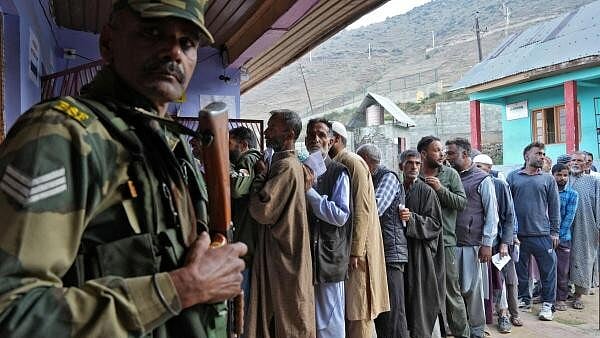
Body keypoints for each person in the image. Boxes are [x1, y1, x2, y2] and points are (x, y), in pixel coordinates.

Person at [0, 1, 249, 337]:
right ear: (107, 42)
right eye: (152, 32)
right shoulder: (62, 136)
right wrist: (181, 288)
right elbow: (12, 314)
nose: (174, 51)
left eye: (187, 42)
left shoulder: (167, 142)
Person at [246, 109, 315, 338]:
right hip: (284, 251)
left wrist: (258, 177)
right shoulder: (290, 165)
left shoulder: (286, 167)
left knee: (288, 312)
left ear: (289, 133)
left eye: (272, 128)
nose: (266, 132)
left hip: (285, 254)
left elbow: (262, 210)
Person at [328, 121, 389, 338]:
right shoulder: (335, 162)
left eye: (322, 136)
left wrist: (356, 250)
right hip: (344, 251)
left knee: (359, 310)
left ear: (334, 139)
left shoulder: (352, 162)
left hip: (358, 254)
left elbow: (362, 209)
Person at [445, 138, 498, 338]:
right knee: (453, 289)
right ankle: (458, 327)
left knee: (472, 290)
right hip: (449, 242)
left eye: (451, 153)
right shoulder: (448, 176)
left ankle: (476, 330)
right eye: (446, 153)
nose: (447, 157)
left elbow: (492, 214)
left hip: (472, 243)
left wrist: (487, 243)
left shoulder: (482, 179)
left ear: (465, 155)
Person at [417, 135, 469, 338]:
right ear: (423, 154)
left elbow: (462, 203)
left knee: (451, 293)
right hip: (420, 243)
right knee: (423, 292)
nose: (441, 154)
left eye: (442, 150)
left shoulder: (450, 175)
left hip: (445, 242)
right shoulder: (415, 173)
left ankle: (462, 334)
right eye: (436, 150)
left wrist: (440, 189)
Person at [304, 119, 352, 338]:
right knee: (309, 319)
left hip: (329, 256)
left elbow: (341, 215)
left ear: (331, 140)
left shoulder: (338, 172)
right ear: (305, 140)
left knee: (330, 324)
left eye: (322, 135)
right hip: (306, 257)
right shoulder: (302, 168)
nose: (316, 139)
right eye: (311, 135)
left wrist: (311, 193)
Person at [357, 144, 408, 338]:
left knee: (393, 310)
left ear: (368, 161)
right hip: (380, 251)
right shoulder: (372, 177)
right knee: (381, 310)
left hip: (390, 252)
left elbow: (373, 210)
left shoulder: (387, 177)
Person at [506, 142, 560, 321]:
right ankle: (523, 299)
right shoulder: (513, 177)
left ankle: (548, 305)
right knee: (520, 272)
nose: (542, 156)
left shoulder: (548, 179)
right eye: (538, 153)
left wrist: (554, 232)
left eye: (543, 154)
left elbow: (554, 207)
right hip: (519, 236)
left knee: (548, 271)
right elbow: (507, 207)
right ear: (526, 156)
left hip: (543, 235)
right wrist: (510, 234)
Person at [399, 149, 446, 338]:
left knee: (422, 299)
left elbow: (435, 225)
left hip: (421, 255)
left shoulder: (427, 191)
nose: (414, 167)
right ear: (401, 165)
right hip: (400, 252)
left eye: (418, 163)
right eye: (410, 163)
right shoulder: (397, 188)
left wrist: (412, 219)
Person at [473, 154, 519, 333]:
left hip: (496, 242)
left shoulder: (499, 185)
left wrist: (505, 243)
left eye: (480, 167)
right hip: (476, 242)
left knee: (500, 281)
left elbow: (508, 216)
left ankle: (504, 314)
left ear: (489, 168)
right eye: (474, 166)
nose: (476, 170)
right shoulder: (470, 182)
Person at [229, 126, 262, 311]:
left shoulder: (249, 158)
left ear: (243, 145)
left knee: (242, 303)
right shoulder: (244, 161)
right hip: (244, 239)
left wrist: (223, 165)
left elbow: (236, 188)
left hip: (246, 242)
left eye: (229, 143)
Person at [567, 151, 600, 310]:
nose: (575, 163)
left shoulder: (594, 181)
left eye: (579, 160)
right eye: (573, 160)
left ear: (587, 164)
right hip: (565, 226)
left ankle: (579, 294)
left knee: (583, 257)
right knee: (564, 257)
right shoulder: (564, 179)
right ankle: (564, 289)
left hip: (586, 225)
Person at [551, 163, 578, 311]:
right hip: (547, 237)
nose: (562, 178)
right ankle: (547, 296)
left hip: (563, 238)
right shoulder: (548, 191)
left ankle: (561, 298)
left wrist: (558, 236)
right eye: (559, 175)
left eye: (565, 175)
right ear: (552, 175)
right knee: (547, 269)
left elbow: (569, 218)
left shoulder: (573, 194)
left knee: (562, 270)